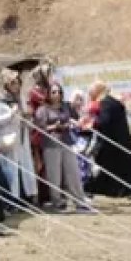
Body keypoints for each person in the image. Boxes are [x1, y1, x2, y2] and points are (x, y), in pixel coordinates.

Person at [34, 83, 93, 213]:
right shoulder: (43, 109)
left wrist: (72, 123)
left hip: (67, 142)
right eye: (54, 92)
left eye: (59, 92)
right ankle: (57, 202)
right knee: (54, 175)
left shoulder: (65, 106)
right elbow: (40, 128)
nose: (57, 94)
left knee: (73, 172)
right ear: (49, 93)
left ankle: (80, 201)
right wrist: (54, 127)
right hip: (51, 145)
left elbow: (75, 118)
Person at [87, 81, 131, 205]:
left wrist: (91, 124)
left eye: (91, 92)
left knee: (104, 170)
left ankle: (88, 191)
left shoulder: (106, 104)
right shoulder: (114, 102)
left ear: (97, 91)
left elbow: (104, 121)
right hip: (122, 142)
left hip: (113, 146)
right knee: (127, 172)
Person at [0, 74, 38, 205]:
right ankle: (12, 199)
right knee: (10, 168)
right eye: (13, 83)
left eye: (17, 83)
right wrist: (11, 113)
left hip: (21, 139)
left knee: (24, 167)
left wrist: (27, 117)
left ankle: (27, 197)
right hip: (8, 140)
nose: (16, 86)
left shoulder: (18, 100)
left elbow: (25, 120)